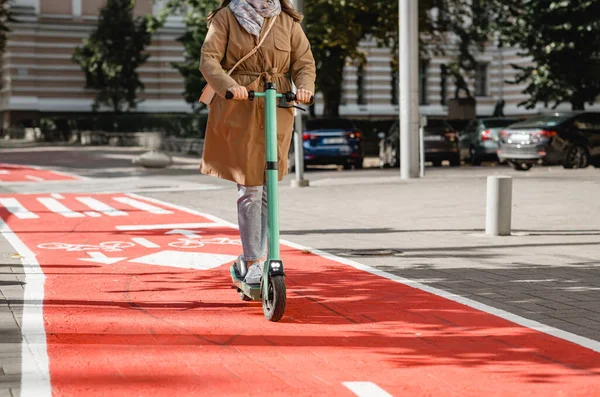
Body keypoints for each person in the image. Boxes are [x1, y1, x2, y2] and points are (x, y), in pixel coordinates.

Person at [199, 0, 316, 284]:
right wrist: (230, 86)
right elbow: (209, 60)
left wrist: (304, 88)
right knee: (251, 186)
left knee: (267, 187)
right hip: (240, 107)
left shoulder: (287, 21)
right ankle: (253, 262)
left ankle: (254, 257)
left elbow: (304, 62)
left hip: (277, 106)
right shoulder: (226, 17)